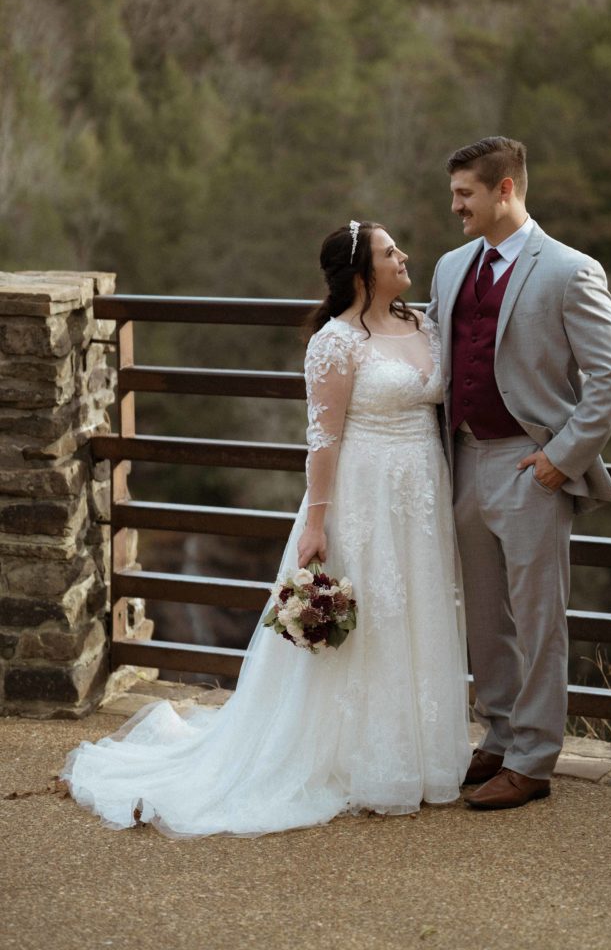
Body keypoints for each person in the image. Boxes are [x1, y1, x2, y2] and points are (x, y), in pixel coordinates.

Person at [61, 220, 471, 838]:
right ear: (363, 273)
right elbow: (324, 439)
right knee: (367, 618)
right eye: (391, 252)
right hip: (362, 495)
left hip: (421, 494)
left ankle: (416, 755)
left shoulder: (424, 324)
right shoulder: (334, 343)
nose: (404, 256)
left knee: (416, 610)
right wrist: (316, 523)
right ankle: (357, 758)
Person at [426, 136, 611, 810]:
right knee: (484, 618)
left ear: (504, 190)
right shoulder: (450, 266)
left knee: (539, 618)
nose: (453, 204)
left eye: (465, 193)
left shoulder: (570, 270)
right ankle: (501, 733)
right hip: (462, 460)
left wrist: (559, 458)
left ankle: (535, 759)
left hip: (528, 464)